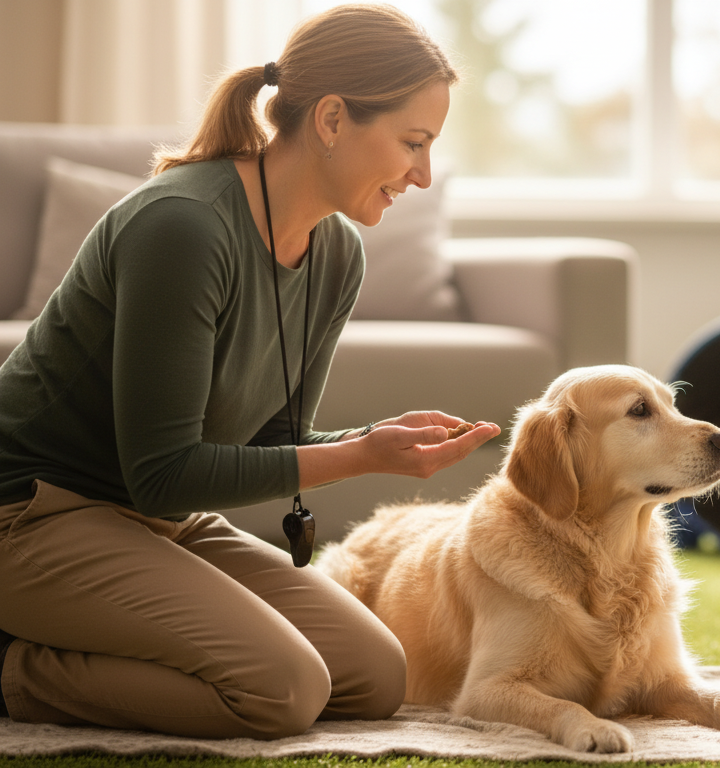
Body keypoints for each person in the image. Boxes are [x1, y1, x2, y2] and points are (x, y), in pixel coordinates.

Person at [0, 3, 500, 739]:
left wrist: (373, 439)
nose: (421, 175)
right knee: (282, 690)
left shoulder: (335, 256)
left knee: (373, 673)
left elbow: (273, 437)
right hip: (31, 513)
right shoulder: (184, 227)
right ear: (332, 119)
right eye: (413, 143)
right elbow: (164, 473)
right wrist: (361, 457)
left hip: (155, 522)